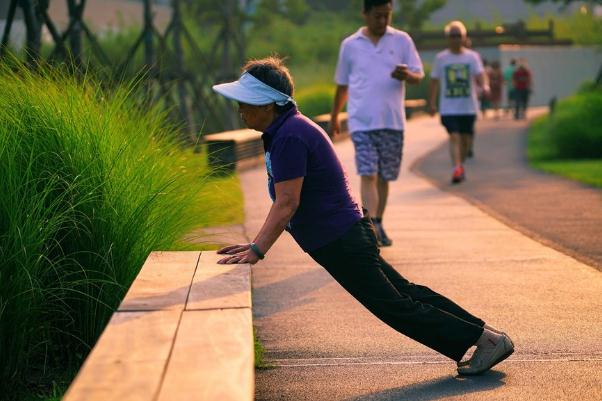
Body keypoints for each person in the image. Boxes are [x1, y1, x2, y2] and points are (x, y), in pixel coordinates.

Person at [212, 56, 514, 376]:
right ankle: (485, 336)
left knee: (395, 306)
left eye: (245, 103)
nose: (240, 110)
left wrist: (256, 249)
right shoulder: (284, 131)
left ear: (268, 104)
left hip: (341, 240)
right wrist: (255, 243)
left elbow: (287, 203)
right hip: (345, 236)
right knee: (405, 295)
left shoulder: (289, 136)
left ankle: (482, 340)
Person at [329, 0, 424, 247]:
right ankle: (369, 229)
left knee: (384, 176)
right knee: (368, 173)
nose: (382, 21)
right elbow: (342, 84)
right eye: (377, 16)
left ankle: (378, 221)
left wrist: (407, 76)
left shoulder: (402, 40)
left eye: (387, 16)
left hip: (392, 121)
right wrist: (334, 116)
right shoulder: (350, 45)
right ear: (365, 13)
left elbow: (418, 75)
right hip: (362, 120)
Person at [428, 21, 489, 184]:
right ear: (448, 38)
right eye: (452, 36)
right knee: (454, 136)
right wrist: (432, 103)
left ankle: (460, 165)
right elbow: (434, 81)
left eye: (458, 36)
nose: (455, 39)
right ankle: (456, 168)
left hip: (468, 107)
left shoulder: (472, 57)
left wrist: (485, 86)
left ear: (464, 37)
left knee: (466, 142)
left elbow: (480, 74)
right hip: (448, 108)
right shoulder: (441, 58)